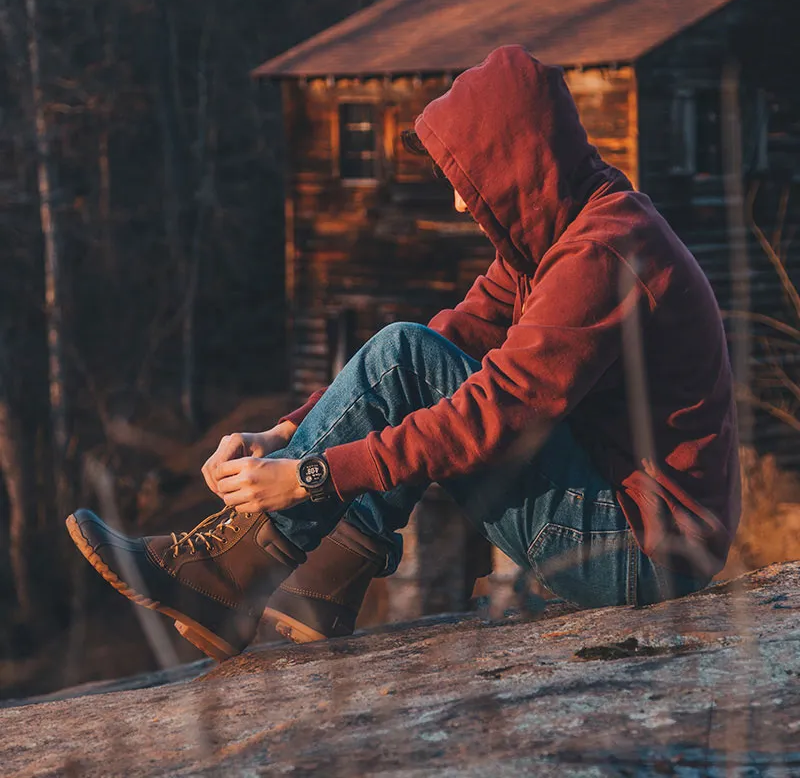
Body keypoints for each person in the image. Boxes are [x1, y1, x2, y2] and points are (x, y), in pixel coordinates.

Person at [66, 46, 740, 662]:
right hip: (625, 523)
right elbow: (453, 336)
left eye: (469, 178)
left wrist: (309, 477)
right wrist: (285, 432)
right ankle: (321, 579)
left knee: (407, 355)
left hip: (642, 551)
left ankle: (234, 573)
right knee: (415, 350)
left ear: (516, 161)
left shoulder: (601, 254)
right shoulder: (564, 237)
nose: (457, 200)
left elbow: (490, 411)